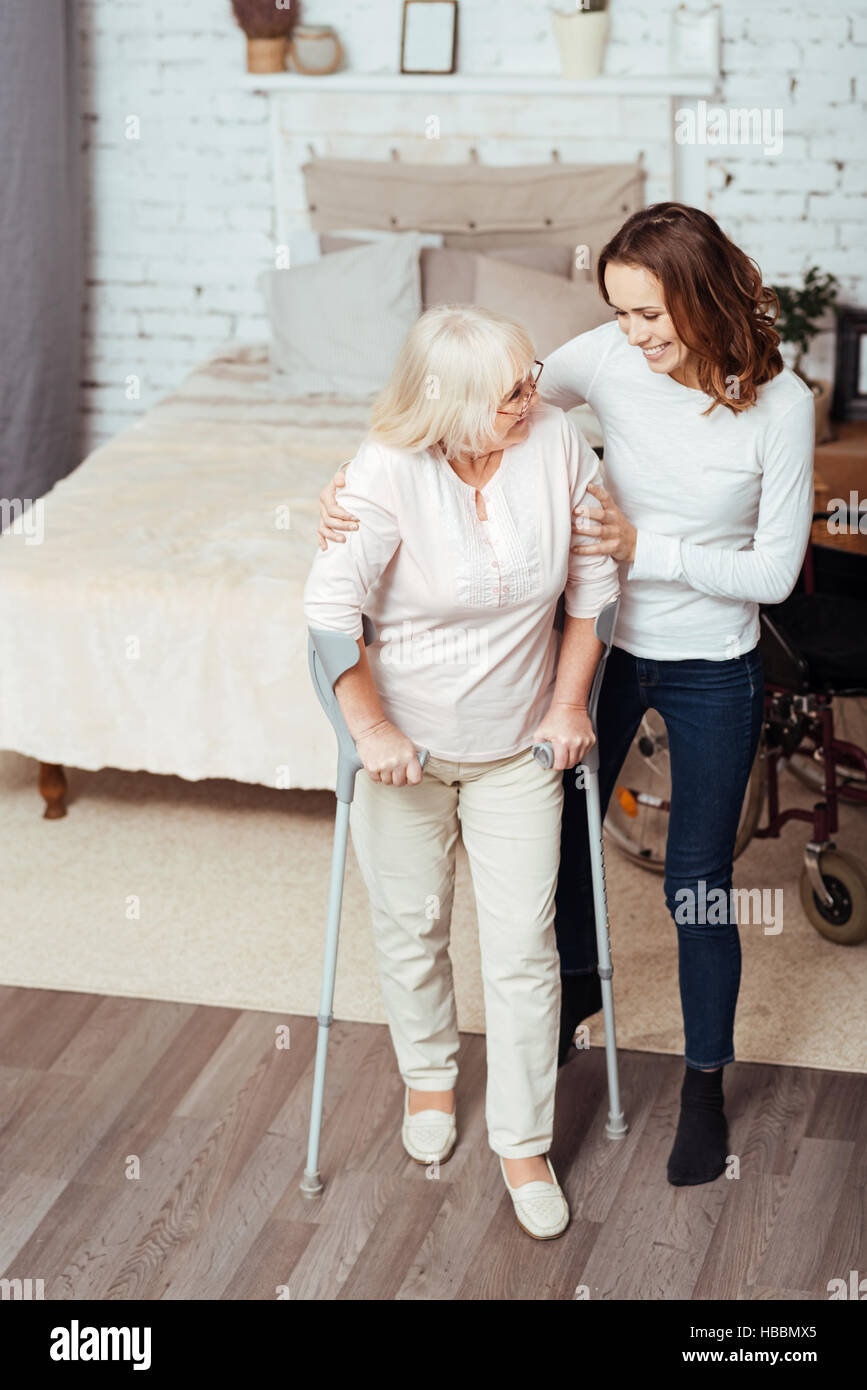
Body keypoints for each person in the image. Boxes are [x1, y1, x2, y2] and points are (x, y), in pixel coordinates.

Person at [316, 204, 815, 1189]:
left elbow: (774, 573)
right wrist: (363, 476)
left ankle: (706, 1085)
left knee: (696, 882)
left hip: (715, 661)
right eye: (620, 315)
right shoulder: (609, 359)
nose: (632, 337)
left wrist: (644, 549)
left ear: (703, 295)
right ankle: (564, 1019)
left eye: (649, 315)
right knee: (551, 849)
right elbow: (482, 396)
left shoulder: (781, 404)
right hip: (608, 646)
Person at [303, 304, 619, 1239]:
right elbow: (329, 615)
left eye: (530, 378)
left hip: (518, 745)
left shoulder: (558, 443)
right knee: (412, 926)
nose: (532, 398)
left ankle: (522, 1141)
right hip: (407, 752)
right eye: (508, 392)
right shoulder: (382, 473)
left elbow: (593, 590)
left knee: (524, 947)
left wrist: (567, 707)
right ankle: (430, 1081)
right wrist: (370, 731)